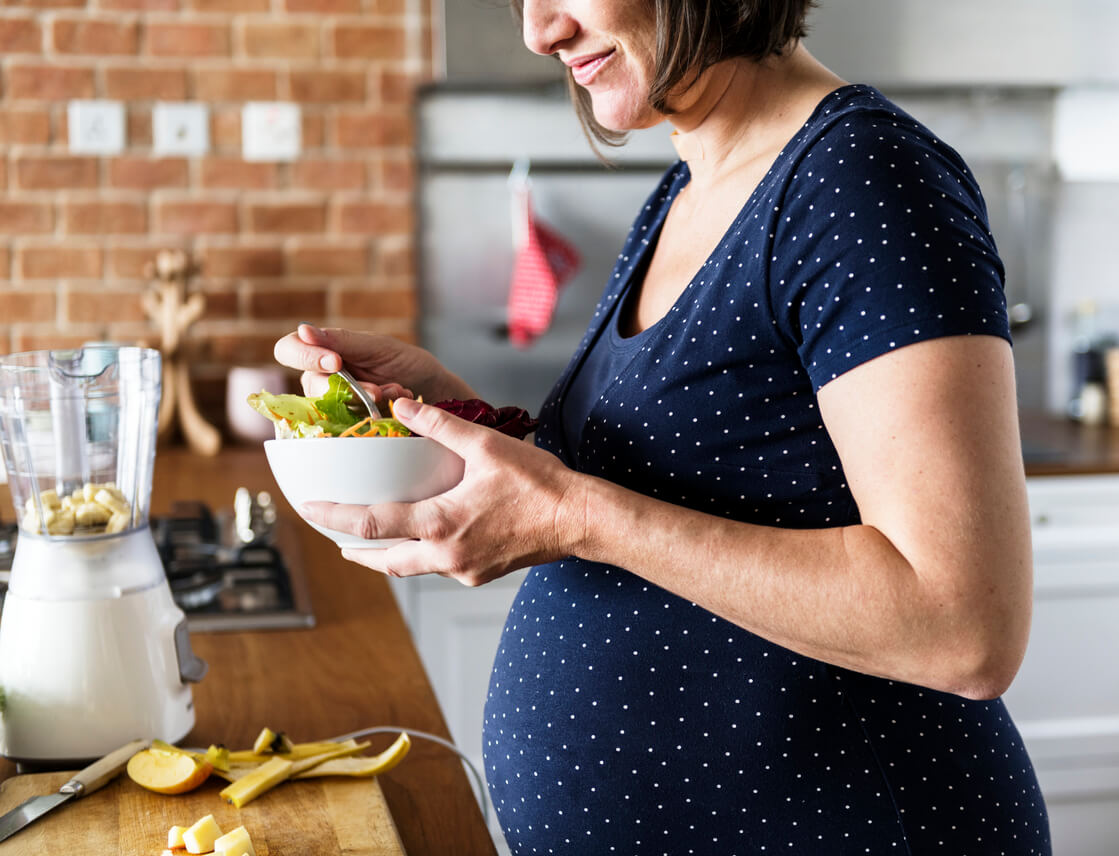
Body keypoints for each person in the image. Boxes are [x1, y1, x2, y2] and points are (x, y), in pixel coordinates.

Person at [274, 0, 1052, 852]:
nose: (540, 31)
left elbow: (963, 627)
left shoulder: (863, 178)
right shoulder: (691, 185)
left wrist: (574, 515)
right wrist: (453, 419)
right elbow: (678, 482)